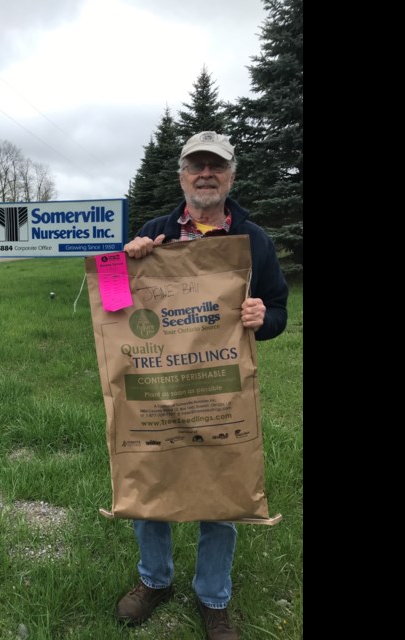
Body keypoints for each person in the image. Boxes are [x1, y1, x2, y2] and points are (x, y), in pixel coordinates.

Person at [116, 131, 289, 640]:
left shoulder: (252, 239)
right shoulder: (155, 231)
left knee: (222, 485)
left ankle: (214, 597)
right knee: (151, 475)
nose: (206, 173)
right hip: (158, 389)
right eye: (197, 165)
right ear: (182, 176)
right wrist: (125, 261)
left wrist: (265, 315)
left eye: (216, 165)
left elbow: (279, 308)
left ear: (231, 176)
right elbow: (111, 302)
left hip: (220, 388)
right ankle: (155, 580)